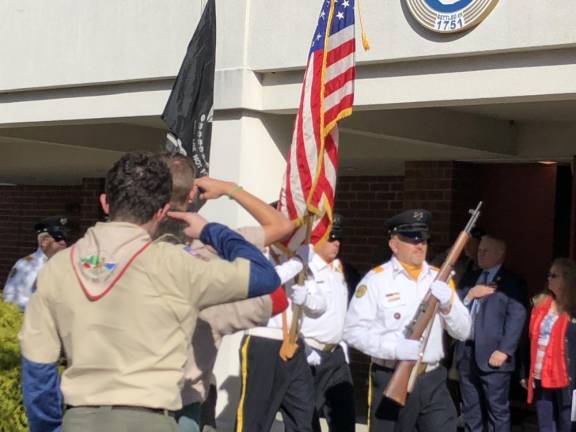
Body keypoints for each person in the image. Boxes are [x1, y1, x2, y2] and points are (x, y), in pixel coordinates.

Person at [18, 152, 281, 432]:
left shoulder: (58, 267)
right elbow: (264, 277)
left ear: (105, 202)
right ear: (161, 210)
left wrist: (50, 427)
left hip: (79, 418)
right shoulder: (176, 264)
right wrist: (210, 230)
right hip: (151, 418)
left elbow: (37, 366)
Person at [155, 154, 305, 432]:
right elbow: (283, 226)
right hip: (183, 398)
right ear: (193, 194)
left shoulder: (133, 243)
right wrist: (229, 189)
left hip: (127, 395)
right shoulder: (212, 246)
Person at [344, 209, 471, 432]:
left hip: (432, 378)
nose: (419, 245)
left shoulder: (438, 278)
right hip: (392, 374)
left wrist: (448, 306)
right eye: (412, 240)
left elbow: (464, 331)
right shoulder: (376, 280)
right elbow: (353, 331)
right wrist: (394, 348)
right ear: (394, 244)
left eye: (423, 240)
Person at [235, 248, 328, 432]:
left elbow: (321, 305)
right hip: (263, 341)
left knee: (304, 415)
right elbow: (267, 281)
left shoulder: (297, 258)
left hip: (294, 345)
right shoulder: (258, 253)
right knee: (255, 418)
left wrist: (306, 299)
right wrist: (296, 263)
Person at [456, 235, 528, 432]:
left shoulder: (512, 282)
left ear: (500, 254)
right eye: (479, 250)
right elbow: (455, 306)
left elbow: (517, 316)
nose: (480, 253)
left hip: (493, 355)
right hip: (467, 352)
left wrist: (505, 350)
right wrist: (471, 294)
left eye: (485, 251)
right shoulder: (470, 278)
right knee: (471, 408)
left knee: (496, 410)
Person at [301, 214, 356, 432]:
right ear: (316, 238)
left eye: (339, 239)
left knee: (344, 418)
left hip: (336, 356)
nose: (337, 243)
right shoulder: (304, 269)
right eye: (331, 238)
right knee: (305, 419)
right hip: (310, 354)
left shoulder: (340, 269)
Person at [523, 258, 576, 432]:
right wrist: (525, 373)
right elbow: (530, 341)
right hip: (541, 376)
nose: (549, 279)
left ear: (567, 279)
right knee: (545, 426)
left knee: (567, 424)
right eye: (548, 275)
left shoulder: (573, 310)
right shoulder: (540, 305)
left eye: (554, 276)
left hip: (567, 380)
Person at [3, 216, 70, 310]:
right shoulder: (25, 265)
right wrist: (40, 308)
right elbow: (10, 298)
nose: (63, 243)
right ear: (44, 242)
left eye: (65, 239)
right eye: (58, 239)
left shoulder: (65, 266)